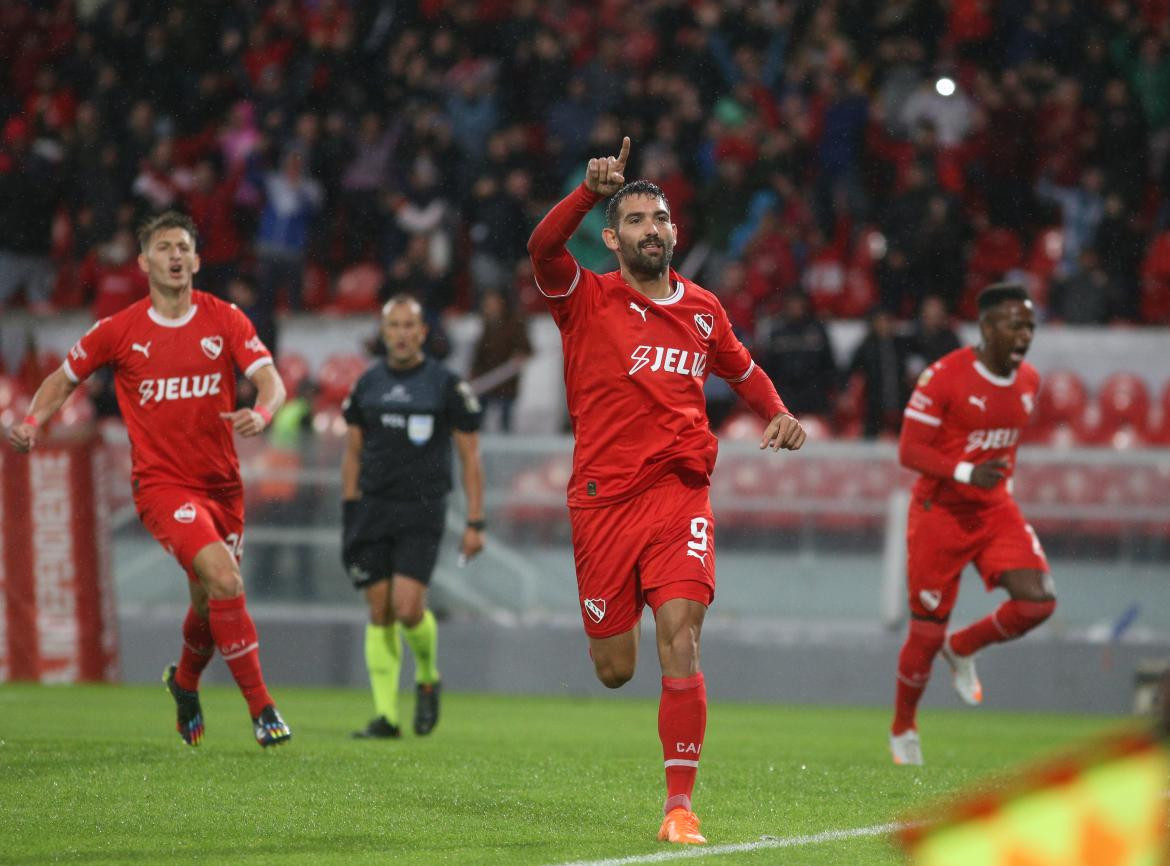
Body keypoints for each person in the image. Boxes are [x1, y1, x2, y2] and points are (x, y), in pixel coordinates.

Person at [527, 137, 806, 845]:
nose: (654, 229)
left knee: (680, 638)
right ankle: (622, 670)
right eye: (639, 220)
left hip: (680, 494)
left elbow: (741, 368)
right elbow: (541, 248)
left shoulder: (704, 309)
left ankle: (678, 806)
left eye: (662, 218)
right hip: (601, 502)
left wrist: (775, 409)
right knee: (616, 668)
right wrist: (588, 193)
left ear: (674, 232)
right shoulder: (585, 297)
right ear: (614, 237)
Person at [6, 211, 292, 748]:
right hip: (164, 489)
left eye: (184, 247)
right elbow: (63, 379)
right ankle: (264, 710)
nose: (176, 256)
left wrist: (264, 411)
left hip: (223, 486)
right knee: (227, 581)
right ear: (144, 263)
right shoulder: (119, 330)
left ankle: (184, 683)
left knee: (208, 603)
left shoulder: (226, 319)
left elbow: (269, 379)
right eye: (164, 248)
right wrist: (31, 421)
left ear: (198, 260)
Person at [890, 283, 1056, 766]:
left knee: (1038, 601)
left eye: (1029, 325)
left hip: (992, 508)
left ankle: (962, 647)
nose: (1024, 334)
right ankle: (903, 729)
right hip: (939, 513)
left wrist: (987, 483)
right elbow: (909, 450)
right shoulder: (943, 377)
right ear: (986, 328)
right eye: (1014, 324)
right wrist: (965, 471)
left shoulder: (1029, 382)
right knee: (924, 636)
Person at [341, 294, 485, 740]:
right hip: (372, 507)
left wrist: (475, 521)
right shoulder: (367, 385)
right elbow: (352, 452)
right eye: (394, 326)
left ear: (423, 333)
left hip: (422, 509)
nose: (401, 334)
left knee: (407, 609)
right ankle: (386, 717)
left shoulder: (445, 385)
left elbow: (470, 456)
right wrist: (349, 509)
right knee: (379, 609)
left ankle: (427, 676)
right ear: (382, 334)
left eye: (409, 326)